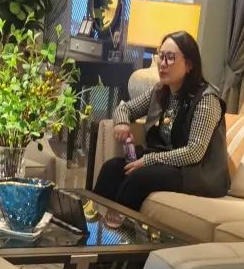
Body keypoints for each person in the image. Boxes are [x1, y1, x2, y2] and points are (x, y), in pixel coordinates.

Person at [94, 32, 227, 211]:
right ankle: (97, 222)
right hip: (162, 161)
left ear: (189, 65)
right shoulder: (160, 91)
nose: (162, 64)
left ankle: (121, 226)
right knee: (112, 168)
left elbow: (194, 152)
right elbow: (125, 108)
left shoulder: (206, 99)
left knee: (138, 178)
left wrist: (149, 160)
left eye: (170, 58)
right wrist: (122, 123)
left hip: (193, 172)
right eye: (161, 56)